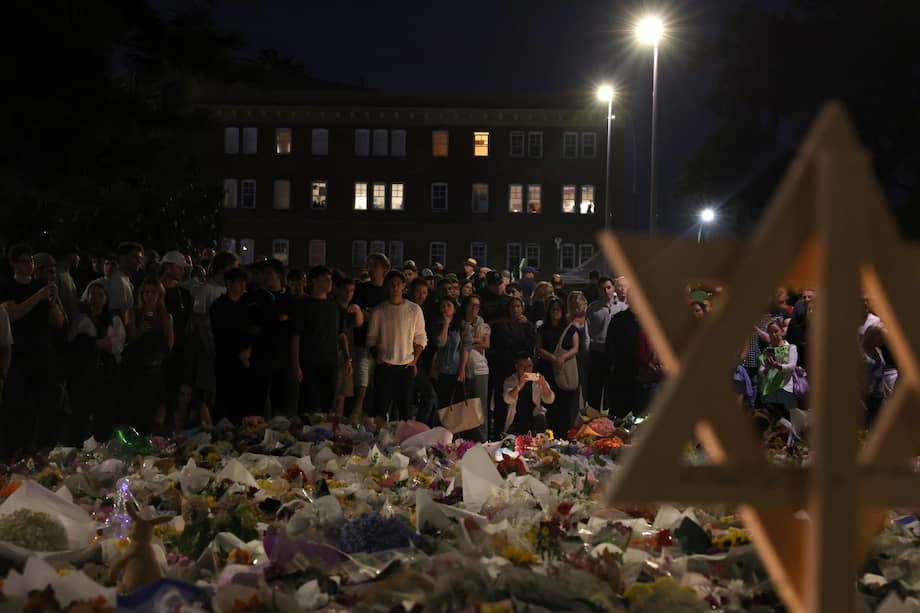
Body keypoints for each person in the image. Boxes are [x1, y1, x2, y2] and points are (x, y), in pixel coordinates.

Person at [1, 244, 65, 457]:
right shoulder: (8, 286)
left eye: (31, 261)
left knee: (46, 403)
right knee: (20, 404)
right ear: (14, 264)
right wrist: (38, 297)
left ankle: (43, 448)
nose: (28, 266)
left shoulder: (42, 285)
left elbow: (58, 322)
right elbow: (13, 313)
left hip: (43, 351)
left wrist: (53, 300)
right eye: (23, 261)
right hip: (20, 352)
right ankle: (16, 449)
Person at [67, 280, 125, 442]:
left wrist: (96, 344)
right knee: (81, 416)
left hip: (106, 375)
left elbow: (115, 346)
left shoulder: (114, 320)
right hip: (84, 375)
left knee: (104, 415)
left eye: (100, 295)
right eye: (93, 294)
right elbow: (73, 345)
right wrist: (93, 344)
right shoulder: (80, 319)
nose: (96, 298)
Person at [366, 271, 427, 423]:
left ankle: (405, 444)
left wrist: (415, 359)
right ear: (387, 287)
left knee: (406, 410)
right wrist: (377, 356)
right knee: (381, 409)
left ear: (403, 287)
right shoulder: (379, 310)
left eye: (398, 284)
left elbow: (421, 338)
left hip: (405, 367)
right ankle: (378, 442)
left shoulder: (414, 310)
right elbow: (371, 339)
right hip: (385, 366)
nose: (395, 287)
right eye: (392, 284)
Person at [124, 277, 174, 432]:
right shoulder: (132, 312)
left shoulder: (165, 316)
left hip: (155, 367)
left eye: (154, 292)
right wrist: (140, 331)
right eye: (147, 292)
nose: (150, 296)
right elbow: (129, 338)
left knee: (154, 408)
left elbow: (170, 342)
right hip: (136, 366)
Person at [248, 259, 295, 416]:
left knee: (280, 400)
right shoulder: (258, 297)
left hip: (282, 356)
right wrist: (276, 319)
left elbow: (293, 325)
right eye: (264, 274)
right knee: (258, 399)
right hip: (262, 355)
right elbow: (254, 323)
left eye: (269, 273)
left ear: (279, 276)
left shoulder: (289, 298)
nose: (265, 277)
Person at [292, 266, 340, 414]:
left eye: (330, 279)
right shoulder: (303, 305)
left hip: (330, 363)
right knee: (308, 405)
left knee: (328, 405)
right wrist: (296, 364)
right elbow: (295, 336)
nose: (329, 282)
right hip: (310, 362)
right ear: (314, 281)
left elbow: (339, 333)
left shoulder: (333, 305)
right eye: (325, 278)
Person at [209, 267, 253, 424]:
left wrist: (248, 349)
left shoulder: (246, 305)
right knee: (224, 396)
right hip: (226, 358)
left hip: (245, 358)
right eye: (239, 283)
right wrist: (239, 352)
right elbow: (221, 334)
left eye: (244, 283)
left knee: (241, 398)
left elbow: (251, 330)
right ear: (229, 283)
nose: (243, 287)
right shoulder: (219, 306)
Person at [431, 296, 478, 438]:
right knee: (444, 406)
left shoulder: (462, 326)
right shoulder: (438, 324)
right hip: (442, 370)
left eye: (448, 305)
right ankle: (445, 437)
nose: (445, 308)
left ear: (454, 308)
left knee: (458, 406)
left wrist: (462, 369)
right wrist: (446, 324)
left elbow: (466, 347)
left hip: (458, 369)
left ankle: (458, 437)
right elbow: (440, 343)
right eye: (443, 306)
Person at [488, 297, 537, 436]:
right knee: (502, 404)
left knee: (522, 403)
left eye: (518, 306)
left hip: (521, 370)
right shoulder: (501, 325)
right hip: (503, 368)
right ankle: (499, 433)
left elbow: (532, 344)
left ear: (522, 309)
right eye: (512, 306)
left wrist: (527, 325)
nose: (515, 309)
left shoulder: (528, 325)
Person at [351, 252, 391, 421]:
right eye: (369, 265)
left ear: (384, 269)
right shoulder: (362, 289)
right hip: (364, 344)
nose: (371, 269)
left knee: (381, 389)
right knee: (362, 387)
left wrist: (371, 314)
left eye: (375, 265)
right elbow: (358, 314)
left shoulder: (389, 292)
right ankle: (355, 421)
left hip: (384, 347)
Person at [535, 298, 580, 435]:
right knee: (550, 405)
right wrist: (553, 358)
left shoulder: (570, 328)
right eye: (553, 309)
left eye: (558, 309)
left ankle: (565, 434)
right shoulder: (543, 329)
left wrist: (562, 358)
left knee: (565, 406)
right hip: (548, 370)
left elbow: (575, 347)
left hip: (564, 371)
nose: (555, 312)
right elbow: (538, 348)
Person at [160, 251, 194, 422]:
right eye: (180, 268)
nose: (183, 272)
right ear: (168, 267)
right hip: (158, 351)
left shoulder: (185, 295)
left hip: (178, 352)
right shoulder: (154, 291)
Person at [585, 277, 625, 412]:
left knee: (614, 390)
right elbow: (587, 332)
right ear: (598, 291)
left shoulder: (622, 308)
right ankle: (592, 419)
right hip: (598, 353)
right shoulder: (592, 308)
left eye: (608, 287)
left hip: (616, 354)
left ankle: (614, 420)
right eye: (603, 289)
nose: (606, 291)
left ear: (613, 288)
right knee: (595, 390)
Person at [502, 353, 555, 435]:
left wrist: (544, 384)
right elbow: (507, 399)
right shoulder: (511, 380)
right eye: (523, 367)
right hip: (516, 419)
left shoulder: (537, 379)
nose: (526, 370)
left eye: (529, 366)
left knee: (541, 420)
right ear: (517, 366)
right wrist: (519, 385)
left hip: (533, 417)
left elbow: (550, 399)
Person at [333, 277, 362, 420]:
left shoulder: (349, 310)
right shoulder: (334, 308)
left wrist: (357, 311)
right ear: (337, 290)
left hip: (345, 355)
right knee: (337, 394)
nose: (348, 294)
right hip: (336, 355)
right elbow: (341, 334)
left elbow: (359, 323)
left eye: (351, 291)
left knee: (342, 394)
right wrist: (347, 358)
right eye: (345, 290)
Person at [757, 319, 798, 420]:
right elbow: (761, 372)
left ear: (782, 331)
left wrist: (778, 366)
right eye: (770, 332)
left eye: (776, 331)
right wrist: (767, 368)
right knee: (772, 422)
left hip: (785, 389)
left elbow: (792, 366)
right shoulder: (767, 351)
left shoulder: (791, 348)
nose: (773, 334)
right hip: (770, 391)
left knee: (787, 421)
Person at [463, 294, 490, 440]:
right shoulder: (461, 323)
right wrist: (476, 340)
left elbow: (486, 344)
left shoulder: (482, 324)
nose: (475, 308)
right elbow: (462, 342)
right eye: (472, 305)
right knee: (467, 408)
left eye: (477, 306)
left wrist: (468, 341)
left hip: (479, 368)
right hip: (464, 368)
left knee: (479, 408)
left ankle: (482, 441)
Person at [567, 291, 589, 414]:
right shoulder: (567, 320)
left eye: (580, 306)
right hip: (572, 357)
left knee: (586, 387)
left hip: (586, 356)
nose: (578, 309)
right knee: (574, 386)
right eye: (575, 306)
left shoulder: (588, 318)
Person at [106, 242, 144, 314]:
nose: (139, 262)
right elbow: (120, 312)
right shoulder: (118, 281)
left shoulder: (124, 279)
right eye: (135, 257)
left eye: (140, 258)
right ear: (123, 258)